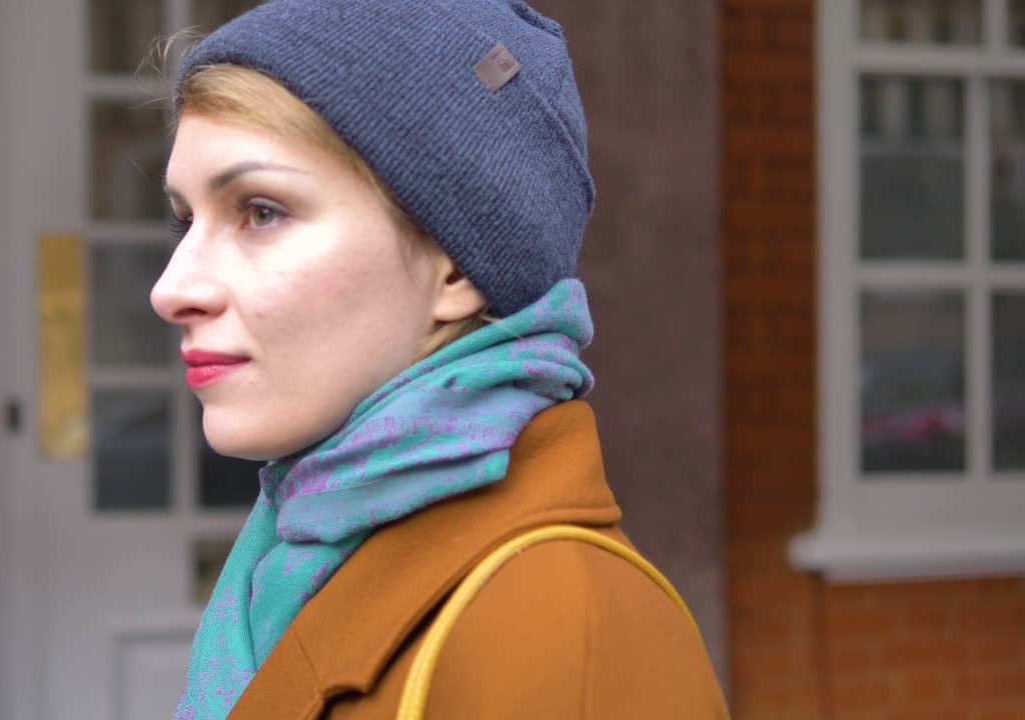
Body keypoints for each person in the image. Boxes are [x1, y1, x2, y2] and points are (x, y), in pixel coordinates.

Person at [150, 1, 729, 717]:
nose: (171, 289)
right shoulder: (292, 564)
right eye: (185, 220)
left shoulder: (563, 628)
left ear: (455, 266)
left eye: (261, 211)